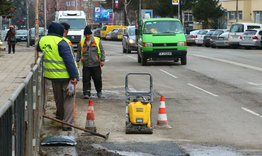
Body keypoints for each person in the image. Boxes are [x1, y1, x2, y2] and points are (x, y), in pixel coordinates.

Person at [37, 22, 79, 131]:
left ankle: (60, 117)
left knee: (59, 99)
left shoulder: (43, 41)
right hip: (66, 76)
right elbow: (69, 61)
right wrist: (74, 76)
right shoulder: (62, 42)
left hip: (51, 75)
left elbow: (39, 49)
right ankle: (67, 124)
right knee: (68, 99)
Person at [76, 26, 105, 99]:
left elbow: (101, 51)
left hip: (95, 64)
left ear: (91, 34)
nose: (87, 36)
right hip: (86, 64)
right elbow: (79, 52)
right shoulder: (82, 42)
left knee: (97, 78)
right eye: (86, 35)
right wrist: (77, 61)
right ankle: (86, 92)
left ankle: (99, 91)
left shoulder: (97, 41)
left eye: (88, 35)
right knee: (86, 79)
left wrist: (102, 60)